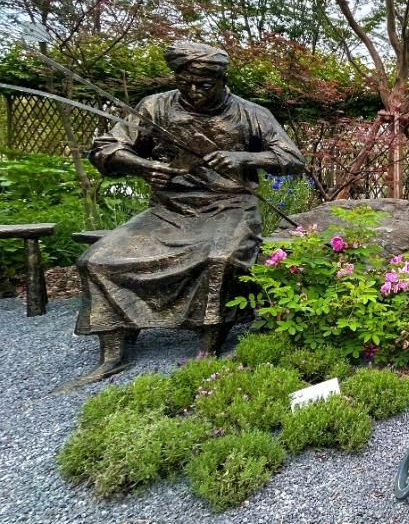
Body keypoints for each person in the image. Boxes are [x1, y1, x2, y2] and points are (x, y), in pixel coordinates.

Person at [66, 41, 306, 387]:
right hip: (170, 209)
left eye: (203, 85)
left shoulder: (251, 113)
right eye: (185, 83)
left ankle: (208, 348)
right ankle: (113, 352)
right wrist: (143, 166)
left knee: (221, 259)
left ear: (222, 80)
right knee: (97, 260)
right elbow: (106, 149)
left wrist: (244, 158)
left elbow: (293, 159)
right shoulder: (154, 107)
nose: (193, 91)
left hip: (231, 206)